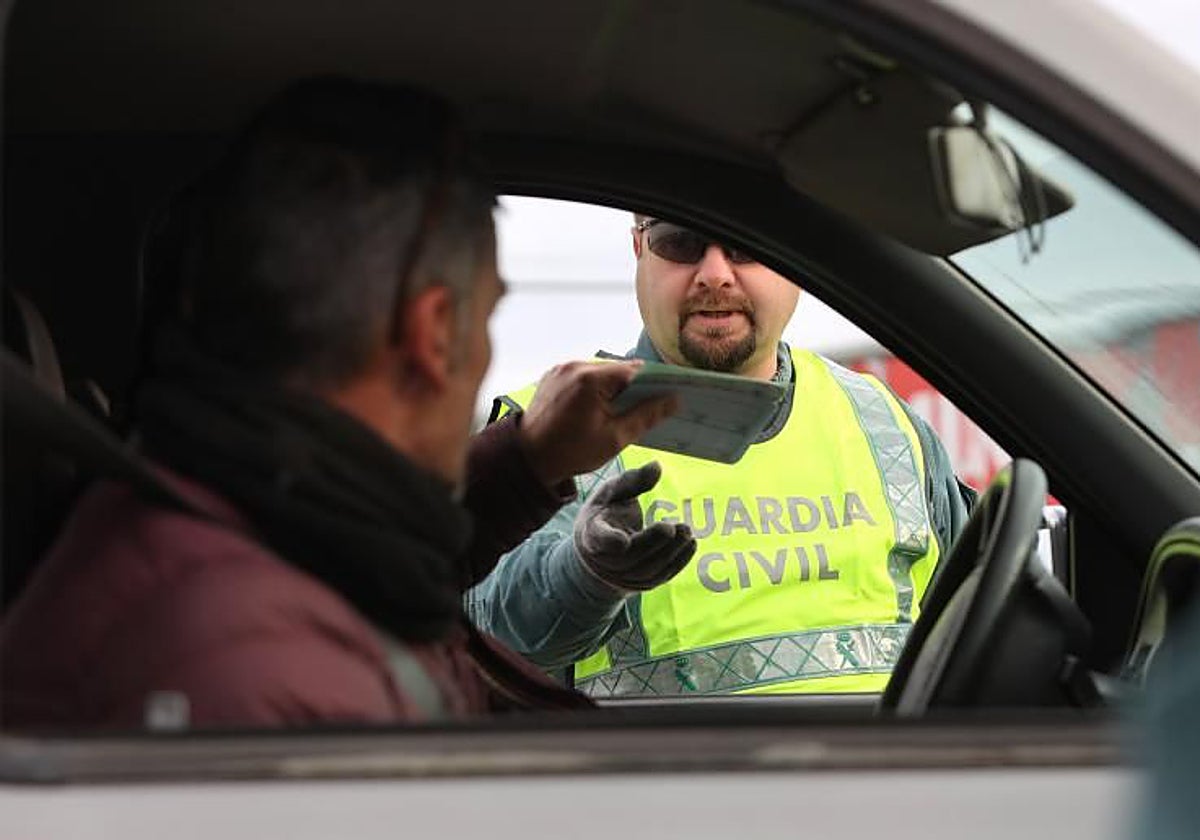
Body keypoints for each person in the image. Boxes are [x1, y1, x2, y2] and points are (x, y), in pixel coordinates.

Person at [0, 78, 677, 729]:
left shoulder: (245, 505)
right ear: (435, 335)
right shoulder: (255, 678)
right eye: (485, 319)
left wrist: (527, 464)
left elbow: (362, 562)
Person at [468, 216, 976, 697]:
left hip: (889, 782)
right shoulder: (551, 426)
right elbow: (488, 645)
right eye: (680, 242)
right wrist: (585, 574)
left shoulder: (886, 423)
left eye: (746, 243)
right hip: (673, 784)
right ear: (638, 246)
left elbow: (975, 629)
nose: (714, 275)